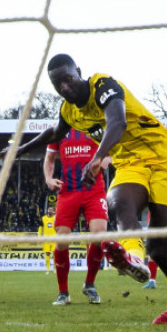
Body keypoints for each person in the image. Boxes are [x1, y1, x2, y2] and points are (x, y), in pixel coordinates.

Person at [6, 55, 167, 325]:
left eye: (68, 79)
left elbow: (117, 122)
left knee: (160, 248)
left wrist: (97, 159)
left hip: (164, 157)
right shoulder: (69, 111)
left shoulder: (103, 85)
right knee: (118, 202)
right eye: (57, 84)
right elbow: (56, 133)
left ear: (78, 72)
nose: (64, 87)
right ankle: (134, 258)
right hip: (130, 163)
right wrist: (21, 149)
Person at [43, 129, 110, 305]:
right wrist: (49, 179)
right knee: (61, 240)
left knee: (99, 235)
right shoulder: (60, 129)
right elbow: (49, 159)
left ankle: (90, 284)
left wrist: (101, 164)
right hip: (68, 191)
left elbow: (111, 154)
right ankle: (63, 292)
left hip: (94, 190)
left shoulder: (96, 126)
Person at [39, 205, 57, 274]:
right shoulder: (43, 218)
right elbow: (40, 227)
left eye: (52, 210)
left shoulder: (55, 218)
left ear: (53, 211)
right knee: (47, 253)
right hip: (46, 239)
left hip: (54, 238)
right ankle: (47, 269)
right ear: (47, 210)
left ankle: (54, 269)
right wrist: (40, 236)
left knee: (55, 254)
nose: (50, 211)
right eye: (49, 210)